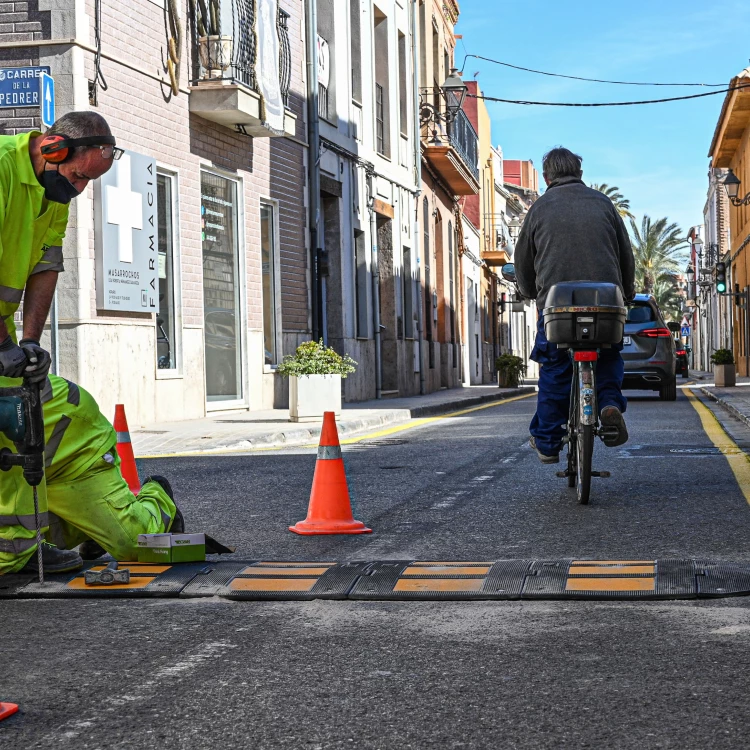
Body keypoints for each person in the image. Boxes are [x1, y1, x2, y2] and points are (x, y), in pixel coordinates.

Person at [0, 111, 182, 575]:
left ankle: (154, 498)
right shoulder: (2, 172)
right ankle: (24, 546)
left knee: (133, 542)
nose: (80, 190)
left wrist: (29, 344)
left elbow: (45, 266)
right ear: (54, 149)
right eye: (80, 177)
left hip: (13, 362)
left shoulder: (52, 195)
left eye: (89, 183)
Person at [514, 146, 635, 464]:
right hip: (606, 304)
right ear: (580, 174)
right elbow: (626, 255)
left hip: (558, 307)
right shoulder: (604, 204)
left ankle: (549, 442)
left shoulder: (539, 208)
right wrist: (628, 292)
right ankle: (608, 403)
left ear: (546, 177)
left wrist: (530, 292)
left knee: (555, 368)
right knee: (608, 357)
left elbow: (524, 262)